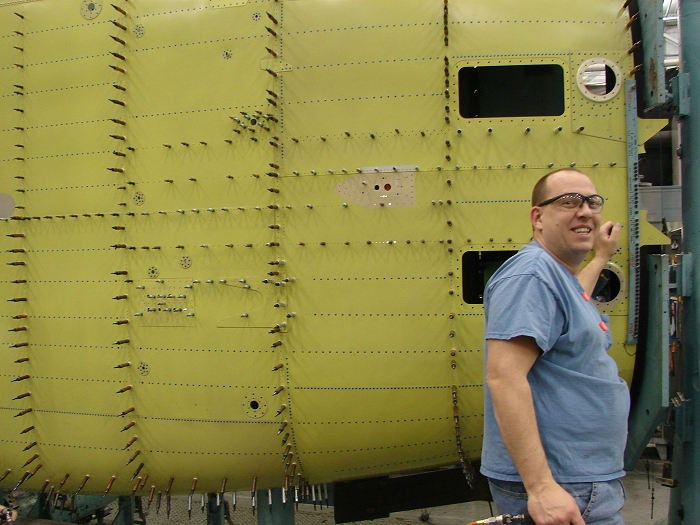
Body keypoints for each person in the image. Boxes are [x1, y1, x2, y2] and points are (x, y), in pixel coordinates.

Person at [481, 169, 629, 525]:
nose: (585, 211)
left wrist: (599, 258)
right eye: (568, 202)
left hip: (580, 479)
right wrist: (541, 487)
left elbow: (573, 298)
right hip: (563, 484)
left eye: (593, 202)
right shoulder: (531, 276)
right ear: (538, 217)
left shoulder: (555, 275)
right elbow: (504, 377)